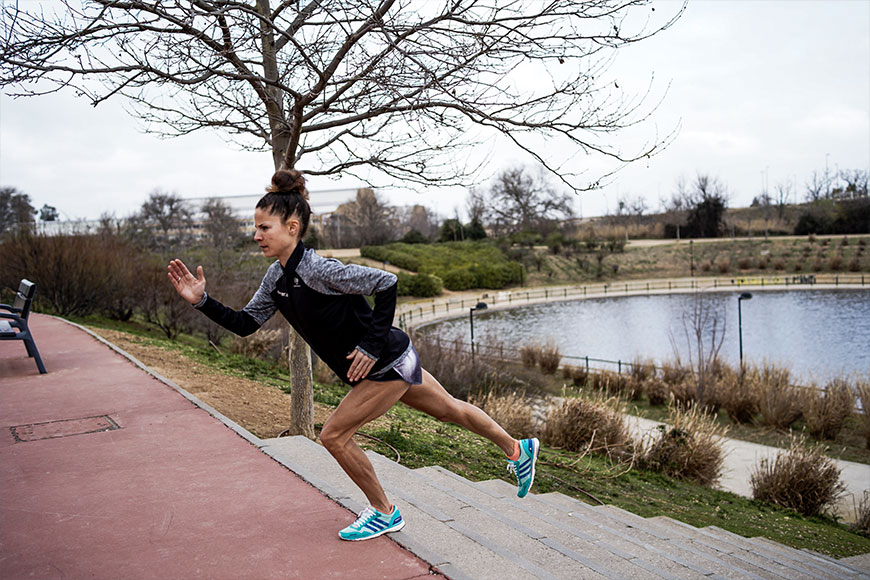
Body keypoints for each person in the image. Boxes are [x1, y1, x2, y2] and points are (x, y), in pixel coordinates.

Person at [167, 169, 539, 541]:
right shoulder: (275, 279)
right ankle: (517, 450)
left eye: (264, 228)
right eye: (256, 228)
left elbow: (386, 283)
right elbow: (246, 323)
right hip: (397, 356)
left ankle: (383, 512)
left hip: (386, 363)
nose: (256, 235)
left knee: (334, 436)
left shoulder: (318, 269)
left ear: (292, 227)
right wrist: (202, 301)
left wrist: (371, 346)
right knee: (450, 409)